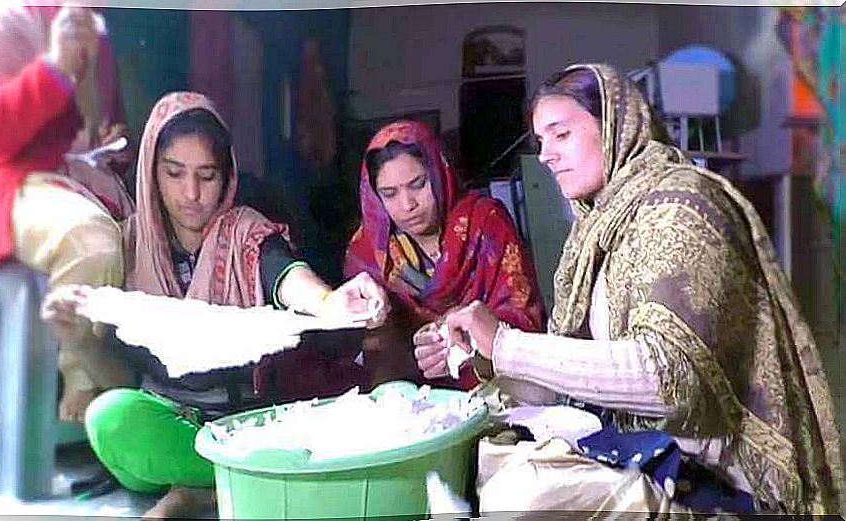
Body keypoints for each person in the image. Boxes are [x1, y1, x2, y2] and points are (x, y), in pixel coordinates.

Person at [414, 63, 844, 514]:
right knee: (476, 458)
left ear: (617, 126)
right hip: (642, 445)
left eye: (561, 135)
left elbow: (668, 378)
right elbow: (575, 383)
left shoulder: (684, 207)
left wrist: (506, 344)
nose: (545, 155)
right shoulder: (597, 228)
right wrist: (480, 355)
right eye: (542, 142)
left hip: (715, 471)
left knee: (518, 495)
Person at [42, 92, 389, 519]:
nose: (191, 194)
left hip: (244, 429)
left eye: (207, 176)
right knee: (110, 417)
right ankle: (231, 483)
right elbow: (120, 377)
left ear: (227, 178)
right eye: (175, 174)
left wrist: (330, 302)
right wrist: (75, 340)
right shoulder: (126, 247)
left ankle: (201, 488)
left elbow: (286, 277)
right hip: (166, 425)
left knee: (305, 432)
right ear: (152, 174)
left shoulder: (244, 232)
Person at [0, 3, 134, 422]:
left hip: (79, 178)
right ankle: (84, 387)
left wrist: (114, 140)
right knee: (89, 241)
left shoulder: (96, 27)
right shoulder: (2, 18)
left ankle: (130, 410)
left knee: (148, 239)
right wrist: (54, 69)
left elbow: (104, 124)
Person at [345, 120, 546, 390]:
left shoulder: (486, 222)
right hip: (412, 402)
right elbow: (367, 352)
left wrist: (465, 343)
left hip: (498, 387)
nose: (408, 205)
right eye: (389, 194)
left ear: (440, 173)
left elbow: (526, 317)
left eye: (418, 184)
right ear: (375, 197)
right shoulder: (366, 253)